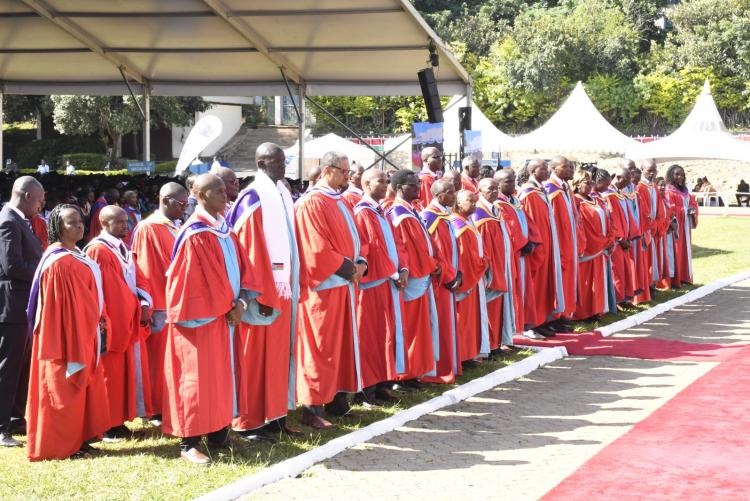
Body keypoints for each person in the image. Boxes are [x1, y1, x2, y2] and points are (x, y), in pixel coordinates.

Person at [163, 173, 255, 465]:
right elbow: (192, 285)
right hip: (201, 321)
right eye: (216, 190)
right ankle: (189, 441)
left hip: (224, 317)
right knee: (196, 379)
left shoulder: (223, 228)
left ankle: (218, 433)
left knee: (221, 377)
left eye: (223, 188)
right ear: (200, 195)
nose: (224, 194)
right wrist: (227, 306)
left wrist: (241, 301)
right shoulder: (195, 233)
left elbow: (244, 267)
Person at [226, 143, 303, 441]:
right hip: (261, 296)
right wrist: (263, 295)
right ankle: (249, 421)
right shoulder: (253, 198)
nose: (283, 166)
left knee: (279, 358)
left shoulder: (282, 193)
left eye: (284, 160)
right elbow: (251, 251)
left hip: (283, 290)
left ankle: (276, 415)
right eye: (278, 160)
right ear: (261, 162)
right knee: (255, 360)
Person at [26, 204, 110, 460]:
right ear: (57, 227)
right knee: (62, 388)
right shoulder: (58, 263)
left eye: (80, 221)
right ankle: (62, 445)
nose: (79, 226)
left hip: (84, 331)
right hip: (64, 338)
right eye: (72, 222)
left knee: (82, 388)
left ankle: (79, 440)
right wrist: (80, 331)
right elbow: (57, 310)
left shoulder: (76, 255)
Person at [295, 151, 366, 429]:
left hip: (344, 287)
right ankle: (312, 408)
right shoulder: (312, 202)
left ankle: (338, 401)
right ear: (327, 170)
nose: (348, 177)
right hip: (324, 289)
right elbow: (315, 248)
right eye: (344, 172)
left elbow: (354, 237)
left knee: (342, 347)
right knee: (320, 347)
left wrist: (361, 261)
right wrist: (350, 269)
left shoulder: (339, 200)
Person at [84, 206, 154, 442]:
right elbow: (110, 291)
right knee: (110, 376)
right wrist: (134, 306)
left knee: (123, 375)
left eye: (126, 221)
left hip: (128, 321)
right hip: (112, 324)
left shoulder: (122, 249)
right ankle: (108, 425)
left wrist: (144, 302)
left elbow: (140, 278)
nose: (126, 226)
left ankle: (119, 421)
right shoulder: (98, 250)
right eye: (119, 222)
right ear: (104, 223)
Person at [130, 182, 188, 425]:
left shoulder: (176, 226)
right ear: (165, 200)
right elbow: (144, 268)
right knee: (156, 359)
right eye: (180, 204)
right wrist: (149, 303)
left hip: (177, 301)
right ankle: (153, 408)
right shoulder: (147, 228)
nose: (184, 209)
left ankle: (168, 402)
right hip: (160, 303)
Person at [353, 168, 408, 404]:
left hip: (388, 282)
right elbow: (370, 248)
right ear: (366, 183)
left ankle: (383, 382)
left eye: (387, 181)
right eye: (381, 181)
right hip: (373, 284)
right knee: (371, 336)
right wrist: (394, 273)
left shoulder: (381, 210)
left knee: (387, 334)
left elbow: (397, 243)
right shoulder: (363, 212)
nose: (386, 185)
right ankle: (366, 389)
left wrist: (404, 268)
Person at [0, 177, 45, 447]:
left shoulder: (19, 220)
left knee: (19, 365)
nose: (42, 204)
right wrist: (43, 270)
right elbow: (12, 266)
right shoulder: (8, 221)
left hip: (19, 305)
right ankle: (1, 426)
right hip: (10, 306)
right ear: (27, 195)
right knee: (7, 366)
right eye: (39, 199)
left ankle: (16, 416)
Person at [387, 170, 438, 384]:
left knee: (420, 327)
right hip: (412, 277)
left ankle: (415, 371)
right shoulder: (398, 213)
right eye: (413, 185)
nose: (418, 188)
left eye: (418, 183)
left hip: (421, 273)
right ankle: (404, 374)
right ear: (400, 188)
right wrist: (427, 265)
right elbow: (405, 247)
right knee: (409, 327)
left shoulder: (412, 209)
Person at [420, 179, 461, 383]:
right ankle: (436, 369)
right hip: (438, 282)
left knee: (447, 324)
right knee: (439, 325)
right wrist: (445, 272)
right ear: (439, 195)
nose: (455, 195)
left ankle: (449, 364)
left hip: (449, 277)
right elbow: (430, 251)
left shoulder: (444, 216)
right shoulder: (429, 217)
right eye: (450, 192)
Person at [518, 160, 563, 338]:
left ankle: (543, 320)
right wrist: (536, 244)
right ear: (533, 171)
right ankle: (532, 323)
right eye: (543, 168)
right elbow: (528, 223)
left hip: (547, 245)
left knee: (544, 285)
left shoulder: (540, 190)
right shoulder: (528, 193)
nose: (547, 171)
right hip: (537, 248)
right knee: (536, 286)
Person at [495, 168, 536, 339]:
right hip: (512, 254)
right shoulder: (498, 205)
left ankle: (519, 325)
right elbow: (509, 229)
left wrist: (532, 240)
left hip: (522, 254)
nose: (513, 184)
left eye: (514, 180)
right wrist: (523, 244)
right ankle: (510, 331)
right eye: (508, 181)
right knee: (513, 292)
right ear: (498, 185)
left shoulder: (514, 201)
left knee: (522, 291)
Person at [473, 178, 512, 353]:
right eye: (490, 189)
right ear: (479, 191)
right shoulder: (478, 214)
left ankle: (496, 342)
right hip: (490, 269)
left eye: (497, 188)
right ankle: (488, 345)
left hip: (502, 265)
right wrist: (490, 269)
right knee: (488, 308)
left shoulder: (495, 209)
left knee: (497, 308)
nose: (495, 191)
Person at [451, 190, 490, 363]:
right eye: (470, 200)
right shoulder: (457, 224)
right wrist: (482, 264)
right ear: (458, 203)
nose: (474, 203)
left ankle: (471, 354)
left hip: (476, 277)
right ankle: (463, 356)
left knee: (472, 319)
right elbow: (464, 255)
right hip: (468, 278)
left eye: (475, 200)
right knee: (464, 320)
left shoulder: (468, 221)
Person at [543, 156, 579, 330]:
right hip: (559, 243)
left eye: (572, 166)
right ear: (554, 169)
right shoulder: (551, 189)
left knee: (567, 279)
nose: (571, 169)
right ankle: (556, 317)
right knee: (559, 278)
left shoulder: (565, 188)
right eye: (566, 166)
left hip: (569, 241)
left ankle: (565, 314)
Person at [572, 169, 612, 320]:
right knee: (586, 282)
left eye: (591, 182)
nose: (589, 186)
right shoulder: (576, 202)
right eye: (586, 182)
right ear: (577, 184)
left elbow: (608, 220)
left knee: (598, 280)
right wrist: (600, 243)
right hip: (588, 249)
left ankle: (596, 309)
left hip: (600, 247)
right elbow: (581, 227)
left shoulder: (595, 199)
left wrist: (609, 238)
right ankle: (584, 313)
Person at [602, 167, 637, 304]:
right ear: (618, 177)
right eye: (627, 180)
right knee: (616, 271)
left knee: (623, 270)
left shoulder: (618, 194)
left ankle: (624, 298)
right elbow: (612, 219)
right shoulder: (609, 195)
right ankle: (617, 300)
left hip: (624, 239)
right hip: (617, 241)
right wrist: (620, 238)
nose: (629, 183)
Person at [664, 164, 698, 287]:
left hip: (686, 226)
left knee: (685, 252)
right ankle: (675, 279)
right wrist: (685, 210)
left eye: (682, 174)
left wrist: (693, 209)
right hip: (676, 228)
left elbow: (693, 203)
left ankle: (685, 277)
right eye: (677, 174)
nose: (680, 177)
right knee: (676, 252)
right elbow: (670, 208)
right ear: (671, 175)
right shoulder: (668, 191)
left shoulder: (685, 191)